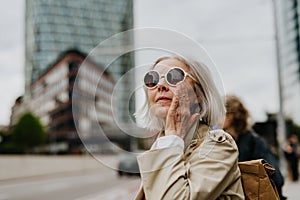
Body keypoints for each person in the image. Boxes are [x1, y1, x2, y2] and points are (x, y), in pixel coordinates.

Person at [134, 55, 245, 200]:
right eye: (152, 79)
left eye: (174, 76)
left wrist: (172, 140)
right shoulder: (160, 145)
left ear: (197, 94)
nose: (160, 85)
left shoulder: (218, 144)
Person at [223, 95, 286, 200]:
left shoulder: (253, 142)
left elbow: (277, 178)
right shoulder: (230, 141)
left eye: (220, 112)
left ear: (230, 116)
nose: (215, 117)